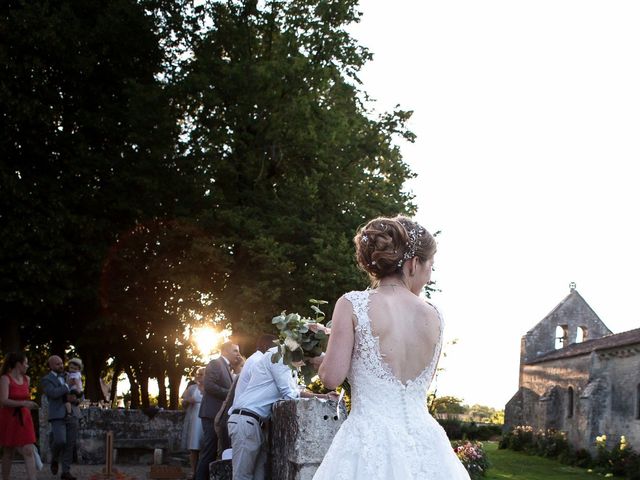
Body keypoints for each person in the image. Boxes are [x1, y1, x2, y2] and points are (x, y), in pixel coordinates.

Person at [312, 215, 470, 479]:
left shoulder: (352, 304)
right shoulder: (435, 315)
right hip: (425, 443)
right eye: (431, 266)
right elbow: (420, 383)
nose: (430, 277)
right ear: (413, 263)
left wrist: (317, 357)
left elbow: (331, 377)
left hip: (368, 442)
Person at [227, 345, 336, 480]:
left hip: (254, 424)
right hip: (246, 420)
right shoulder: (279, 357)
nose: (310, 366)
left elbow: (292, 391)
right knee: (242, 476)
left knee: (258, 476)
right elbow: (289, 394)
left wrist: (324, 397)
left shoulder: (283, 359)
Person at [195, 342, 242, 480]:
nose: (238, 354)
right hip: (211, 413)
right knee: (209, 451)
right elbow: (209, 386)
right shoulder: (215, 363)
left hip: (218, 415)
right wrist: (230, 395)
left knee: (214, 451)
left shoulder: (228, 367)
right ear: (225, 351)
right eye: (235, 351)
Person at [0, 352, 39, 480]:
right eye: (26, 363)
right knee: (8, 451)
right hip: (9, 418)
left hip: (25, 418)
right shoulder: (5, 379)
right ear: (18, 364)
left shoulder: (27, 379)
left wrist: (28, 405)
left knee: (28, 449)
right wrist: (24, 403)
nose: (27, 365)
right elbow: (3, 400)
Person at [41, 355, 80, 480]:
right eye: (57, 364)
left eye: (62, 363)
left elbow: (79, 393)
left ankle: (65, 472)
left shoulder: (70, 375)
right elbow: (53, 393)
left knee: (70, 444)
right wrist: (67, 386)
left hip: (72, 413)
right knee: (60, 441)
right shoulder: (47, 379)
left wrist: (77, 398)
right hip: (57, 414)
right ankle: (54, 458)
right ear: (51, 366)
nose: (61, 366)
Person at [181, 367, 205, 478]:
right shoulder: (191, 388)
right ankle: (193, 471)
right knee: (193, 447)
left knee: (205, 446)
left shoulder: (209, 388)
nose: (198, 376)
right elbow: (183, 402)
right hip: (194, 418)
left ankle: (203, 472)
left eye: (201, 374)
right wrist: (187, 400)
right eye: (198, 374)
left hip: (205, 418)